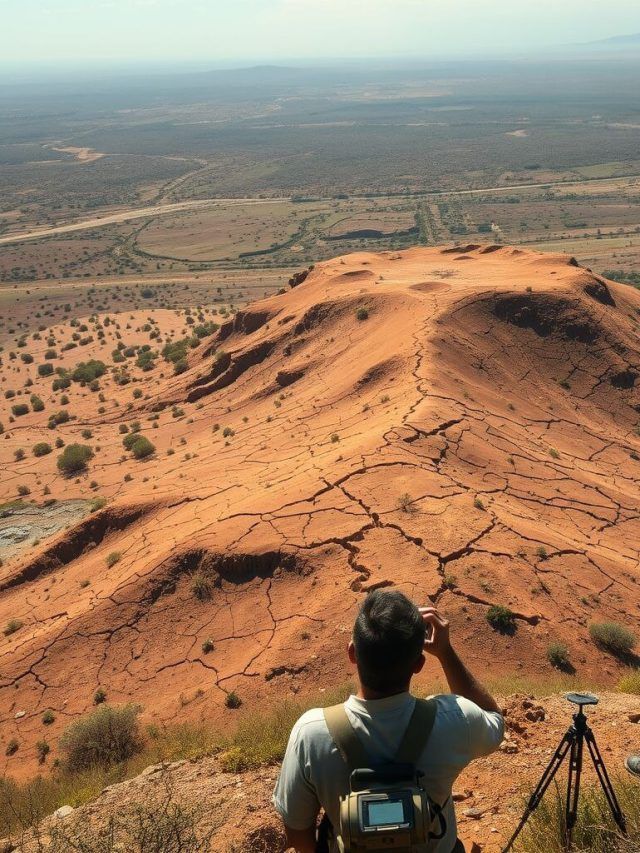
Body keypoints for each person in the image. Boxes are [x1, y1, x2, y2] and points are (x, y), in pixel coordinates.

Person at [272, 589, 505, 853]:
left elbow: (297, 830)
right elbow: (494, 720)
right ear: (419, 664)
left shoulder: (311, 733)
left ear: (352, 653)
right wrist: (445, 652)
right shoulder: (455, 719)